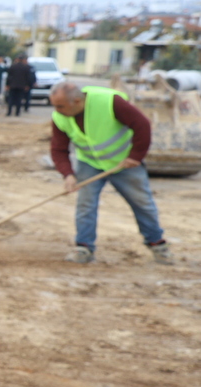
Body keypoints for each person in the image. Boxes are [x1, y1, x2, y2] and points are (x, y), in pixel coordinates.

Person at [49, 81, 172, 265]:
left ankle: (157, 245)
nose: (56, 110)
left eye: (60, 106)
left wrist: (136, 156)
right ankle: (84, 248)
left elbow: (142, 125)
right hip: (89, 163)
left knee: (142, 203)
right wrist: (68, 174)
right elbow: (58, 149)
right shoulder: (60, 117)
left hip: (124, 164)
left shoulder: (109, 101)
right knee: (86, 205)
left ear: (76, 101)